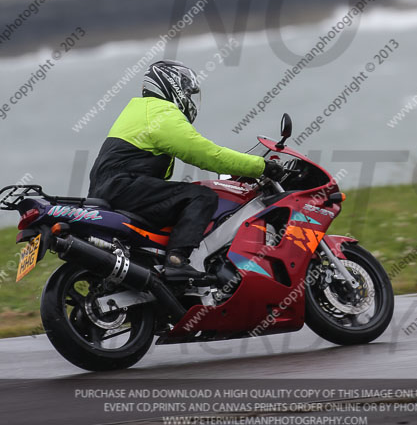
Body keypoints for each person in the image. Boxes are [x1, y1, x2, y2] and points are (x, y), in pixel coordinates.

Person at [88, 60, 283, 279]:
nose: (190, 99)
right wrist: (260, 166)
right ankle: (176, 260)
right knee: (201, 196)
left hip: (114, 189)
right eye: (187, 92)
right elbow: (208, 155)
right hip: (124, 187)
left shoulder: (139, 111)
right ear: (172, 86)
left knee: (177, 199)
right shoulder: (160, 112)